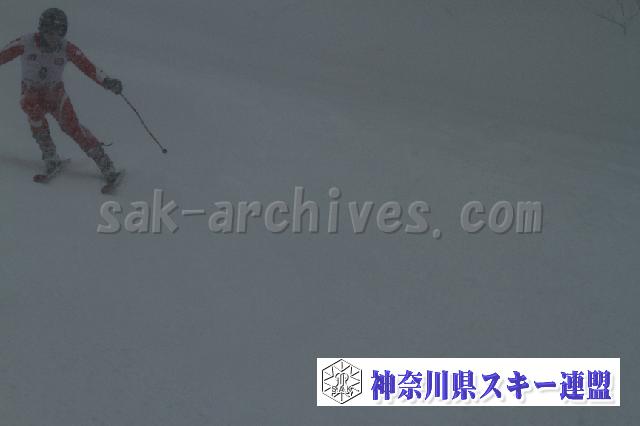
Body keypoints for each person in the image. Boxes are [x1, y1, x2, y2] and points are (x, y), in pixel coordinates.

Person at [0, 8, 123, 182]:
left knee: (72, 126)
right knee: (32, 111)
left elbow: (88, 67)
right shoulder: (26, 42)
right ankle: (50, 155)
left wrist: (107, 82)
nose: (53, 37)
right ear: (41, 29)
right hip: (31, 90)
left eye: (58, 32)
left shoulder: (67, 48)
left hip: (55, 93)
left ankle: (104, 162)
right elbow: (3, 55)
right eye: (49, 32)